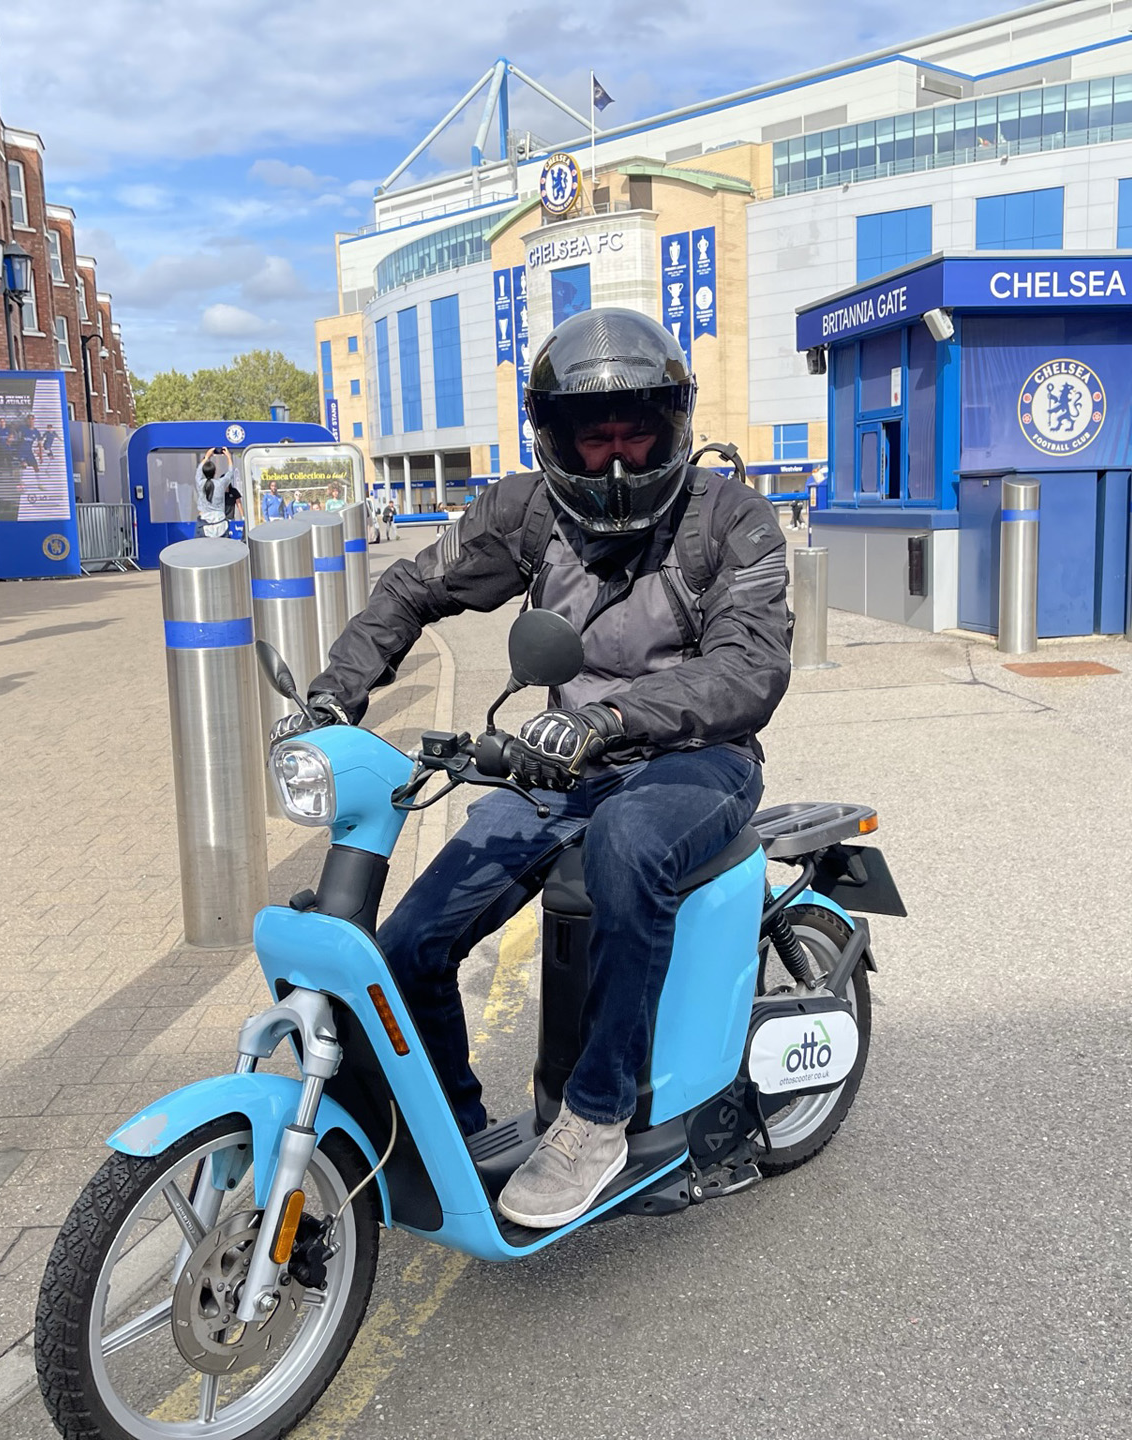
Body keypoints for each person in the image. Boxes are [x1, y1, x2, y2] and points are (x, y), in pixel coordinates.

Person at [300, 309, 791, 1229]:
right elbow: (415, 587)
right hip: (563, 764)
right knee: (407, 945)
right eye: (591, 434)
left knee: (626, 846)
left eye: (634, 430)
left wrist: (611, 714)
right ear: (553, 435)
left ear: (672, 423)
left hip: (697, 757)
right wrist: (335, 697)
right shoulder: (529, 509)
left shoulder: (730, 515)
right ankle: (455, 1125)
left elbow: (751, 667)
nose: (612, 458)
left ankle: (596, 1115)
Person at [196, 447, 242, 539]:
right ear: (215, 472)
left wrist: (207, 457)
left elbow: (198, 472)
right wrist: (228, 457)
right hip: (221, 522)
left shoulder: (200, 483)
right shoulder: (220, 484)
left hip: (204, 523)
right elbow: (230, 473)